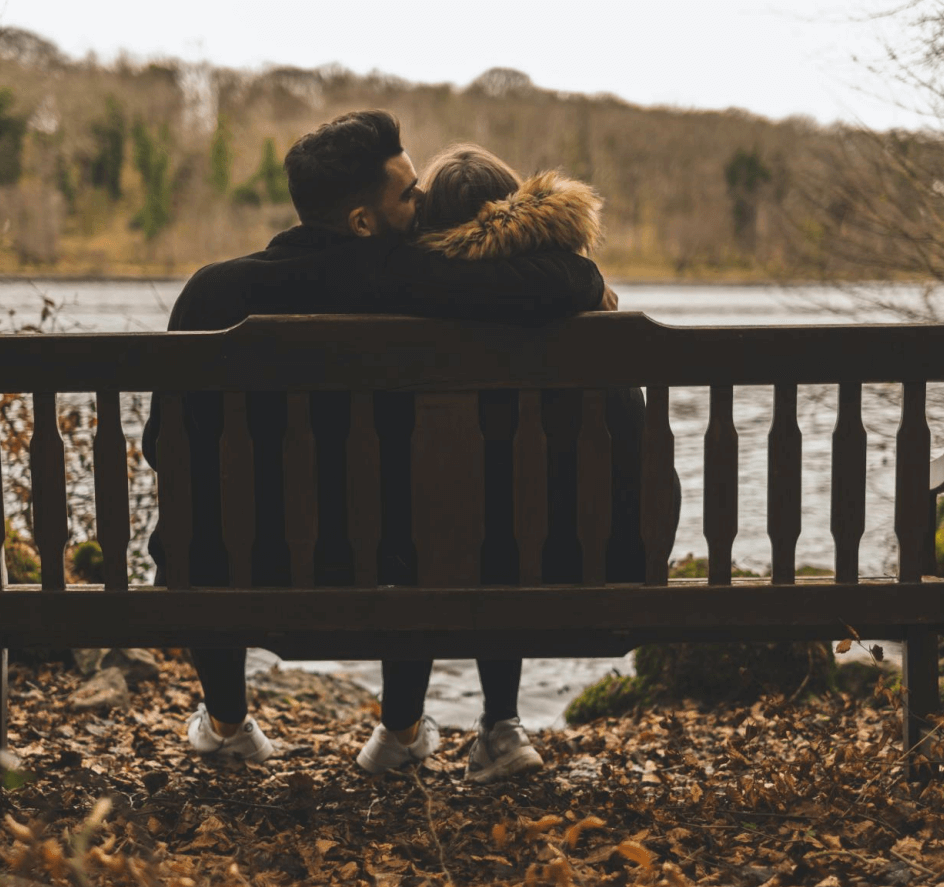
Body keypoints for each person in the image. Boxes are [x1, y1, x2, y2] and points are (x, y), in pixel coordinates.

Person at [142, 112, 606, 768]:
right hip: (389, 562)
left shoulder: (210, 291)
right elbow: (563, 280)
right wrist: (587, 277)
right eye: (409, 193)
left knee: (207, 518)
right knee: (413, 512)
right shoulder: (407, 280)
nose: (421, 203)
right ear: (363, 222)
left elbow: (163, 447)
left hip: (225, 562)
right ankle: (409, 728)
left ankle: (226, 721)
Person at [359, 144, 658, 783]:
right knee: (514, 509)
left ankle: (400, 727)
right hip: (580, 561)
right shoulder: (578, 301)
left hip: (411, 560)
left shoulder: (393, 301)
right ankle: (501, 725)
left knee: (428, 513)